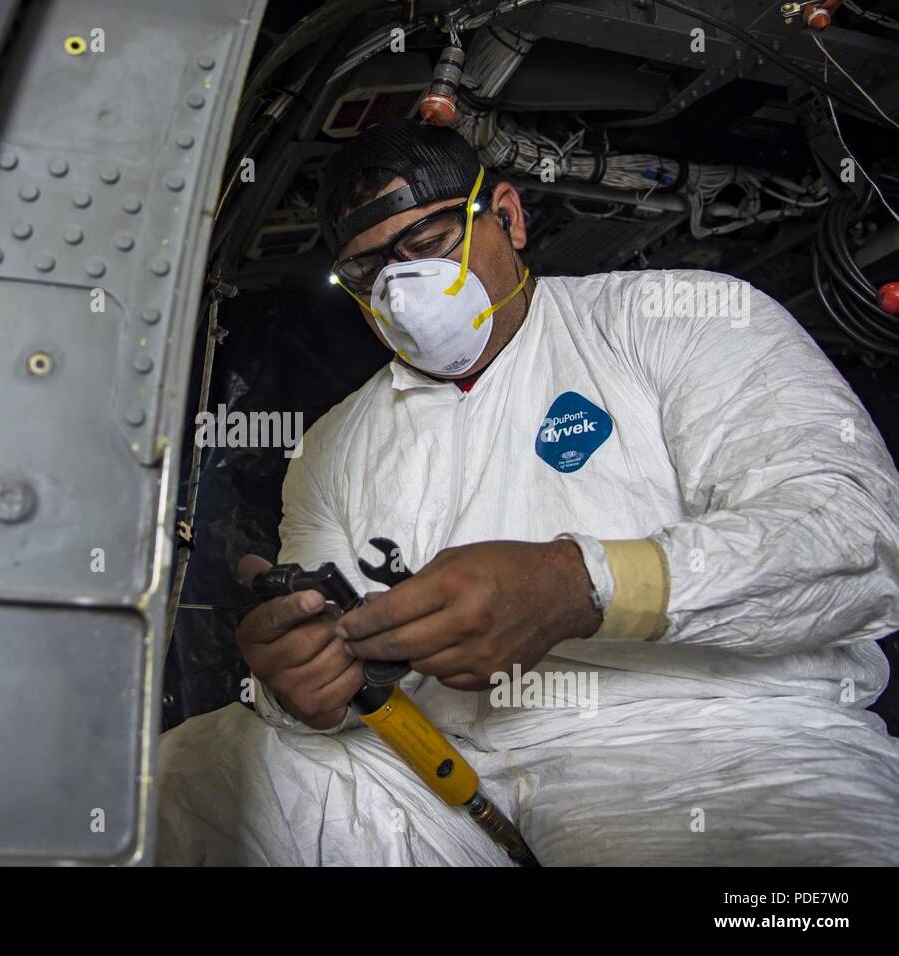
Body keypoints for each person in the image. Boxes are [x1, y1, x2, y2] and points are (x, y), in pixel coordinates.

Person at [155, 119, 899, 865]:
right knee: (195, 781)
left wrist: (579, 586)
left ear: (506, 216)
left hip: (720, 742)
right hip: (442, 769)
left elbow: (854, 532)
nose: (401, 288)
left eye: (428, 242)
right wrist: (298, 691)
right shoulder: (331, 446)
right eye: (367, 271)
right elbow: (345, 687)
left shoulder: (675, 320)